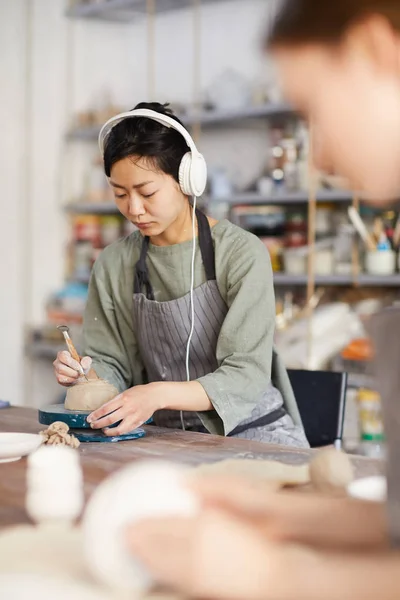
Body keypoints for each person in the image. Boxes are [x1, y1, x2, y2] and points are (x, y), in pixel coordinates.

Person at [127, 2, 400, 598]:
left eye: (315, 110)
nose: (320, 157)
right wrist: (289, 517)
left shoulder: (239, 251)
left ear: (373, 50)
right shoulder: (121, 262)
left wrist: (276, 576)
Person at [53, 101, 307, 447]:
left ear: (187, 179)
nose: (134, 209)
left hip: (255, 433)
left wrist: (157, 395)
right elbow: (112, 364)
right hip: (165, 436)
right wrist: (86, 375)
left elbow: (245, 373)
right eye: (120, 194)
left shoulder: (241, 253)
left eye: (147, 192)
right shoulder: (113, 263)